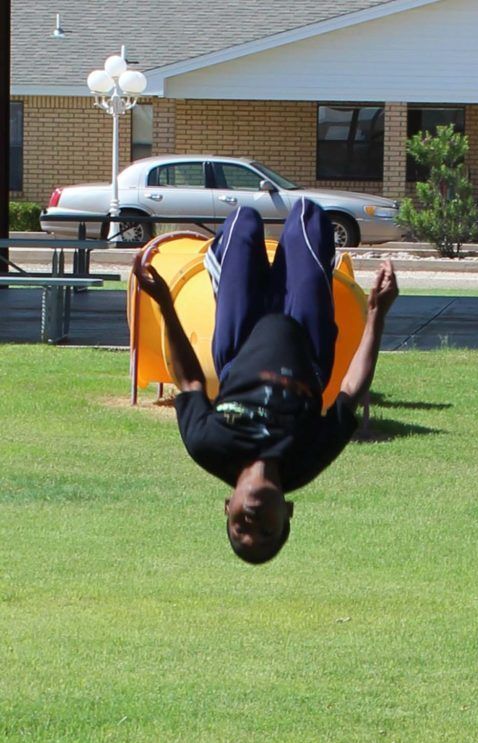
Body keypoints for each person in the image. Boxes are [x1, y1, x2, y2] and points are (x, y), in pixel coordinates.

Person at [133, 197, 398, 564]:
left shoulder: (209, 447)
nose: (253, 523)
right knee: (309, 217)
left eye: (240, 529)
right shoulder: (308, 459)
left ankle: (221, 264)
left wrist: (165, 304)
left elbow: (191, 382)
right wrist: (376, 315)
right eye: (267, 531)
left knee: (243, 221)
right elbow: (350, 392)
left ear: (227, 507)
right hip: (306, 340)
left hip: (240, 343)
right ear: (288, 513)